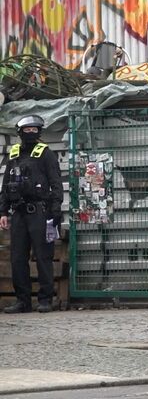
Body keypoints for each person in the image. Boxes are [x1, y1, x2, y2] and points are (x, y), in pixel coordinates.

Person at [0, 115, 63, 313]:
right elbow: (5, 185)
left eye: (34, 130)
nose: (30, 133)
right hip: (18, 213)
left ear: (39, 132)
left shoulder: (46, 153)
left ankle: (45, 300)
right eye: (27, 130)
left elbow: (56, 183)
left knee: (43, 256)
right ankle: (23, 301)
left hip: (40, 212)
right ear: (20, 132)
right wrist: (3, 211)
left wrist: (55, 209)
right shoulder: (14, 153)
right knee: (18, 258)